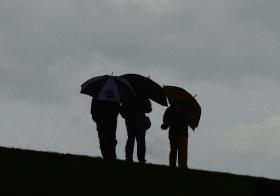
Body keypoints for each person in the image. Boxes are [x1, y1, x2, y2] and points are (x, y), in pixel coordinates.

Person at [120, 97, 152, 164]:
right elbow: (149, 109)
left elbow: (149, 109)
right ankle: (135, 159)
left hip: (136, 122)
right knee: (136, 141)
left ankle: (137, 159)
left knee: (135, 141)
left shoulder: (130, 96)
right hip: (133, 122)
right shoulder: (141, 97)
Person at [161, 103, 189, 168]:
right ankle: (175, 166)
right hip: (176, 132)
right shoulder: (170, 109)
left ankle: (182, 166)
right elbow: (165, 121)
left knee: (182, 151)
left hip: (182, 133)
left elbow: (165, 121)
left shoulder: (183, 109)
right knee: (176, 150)